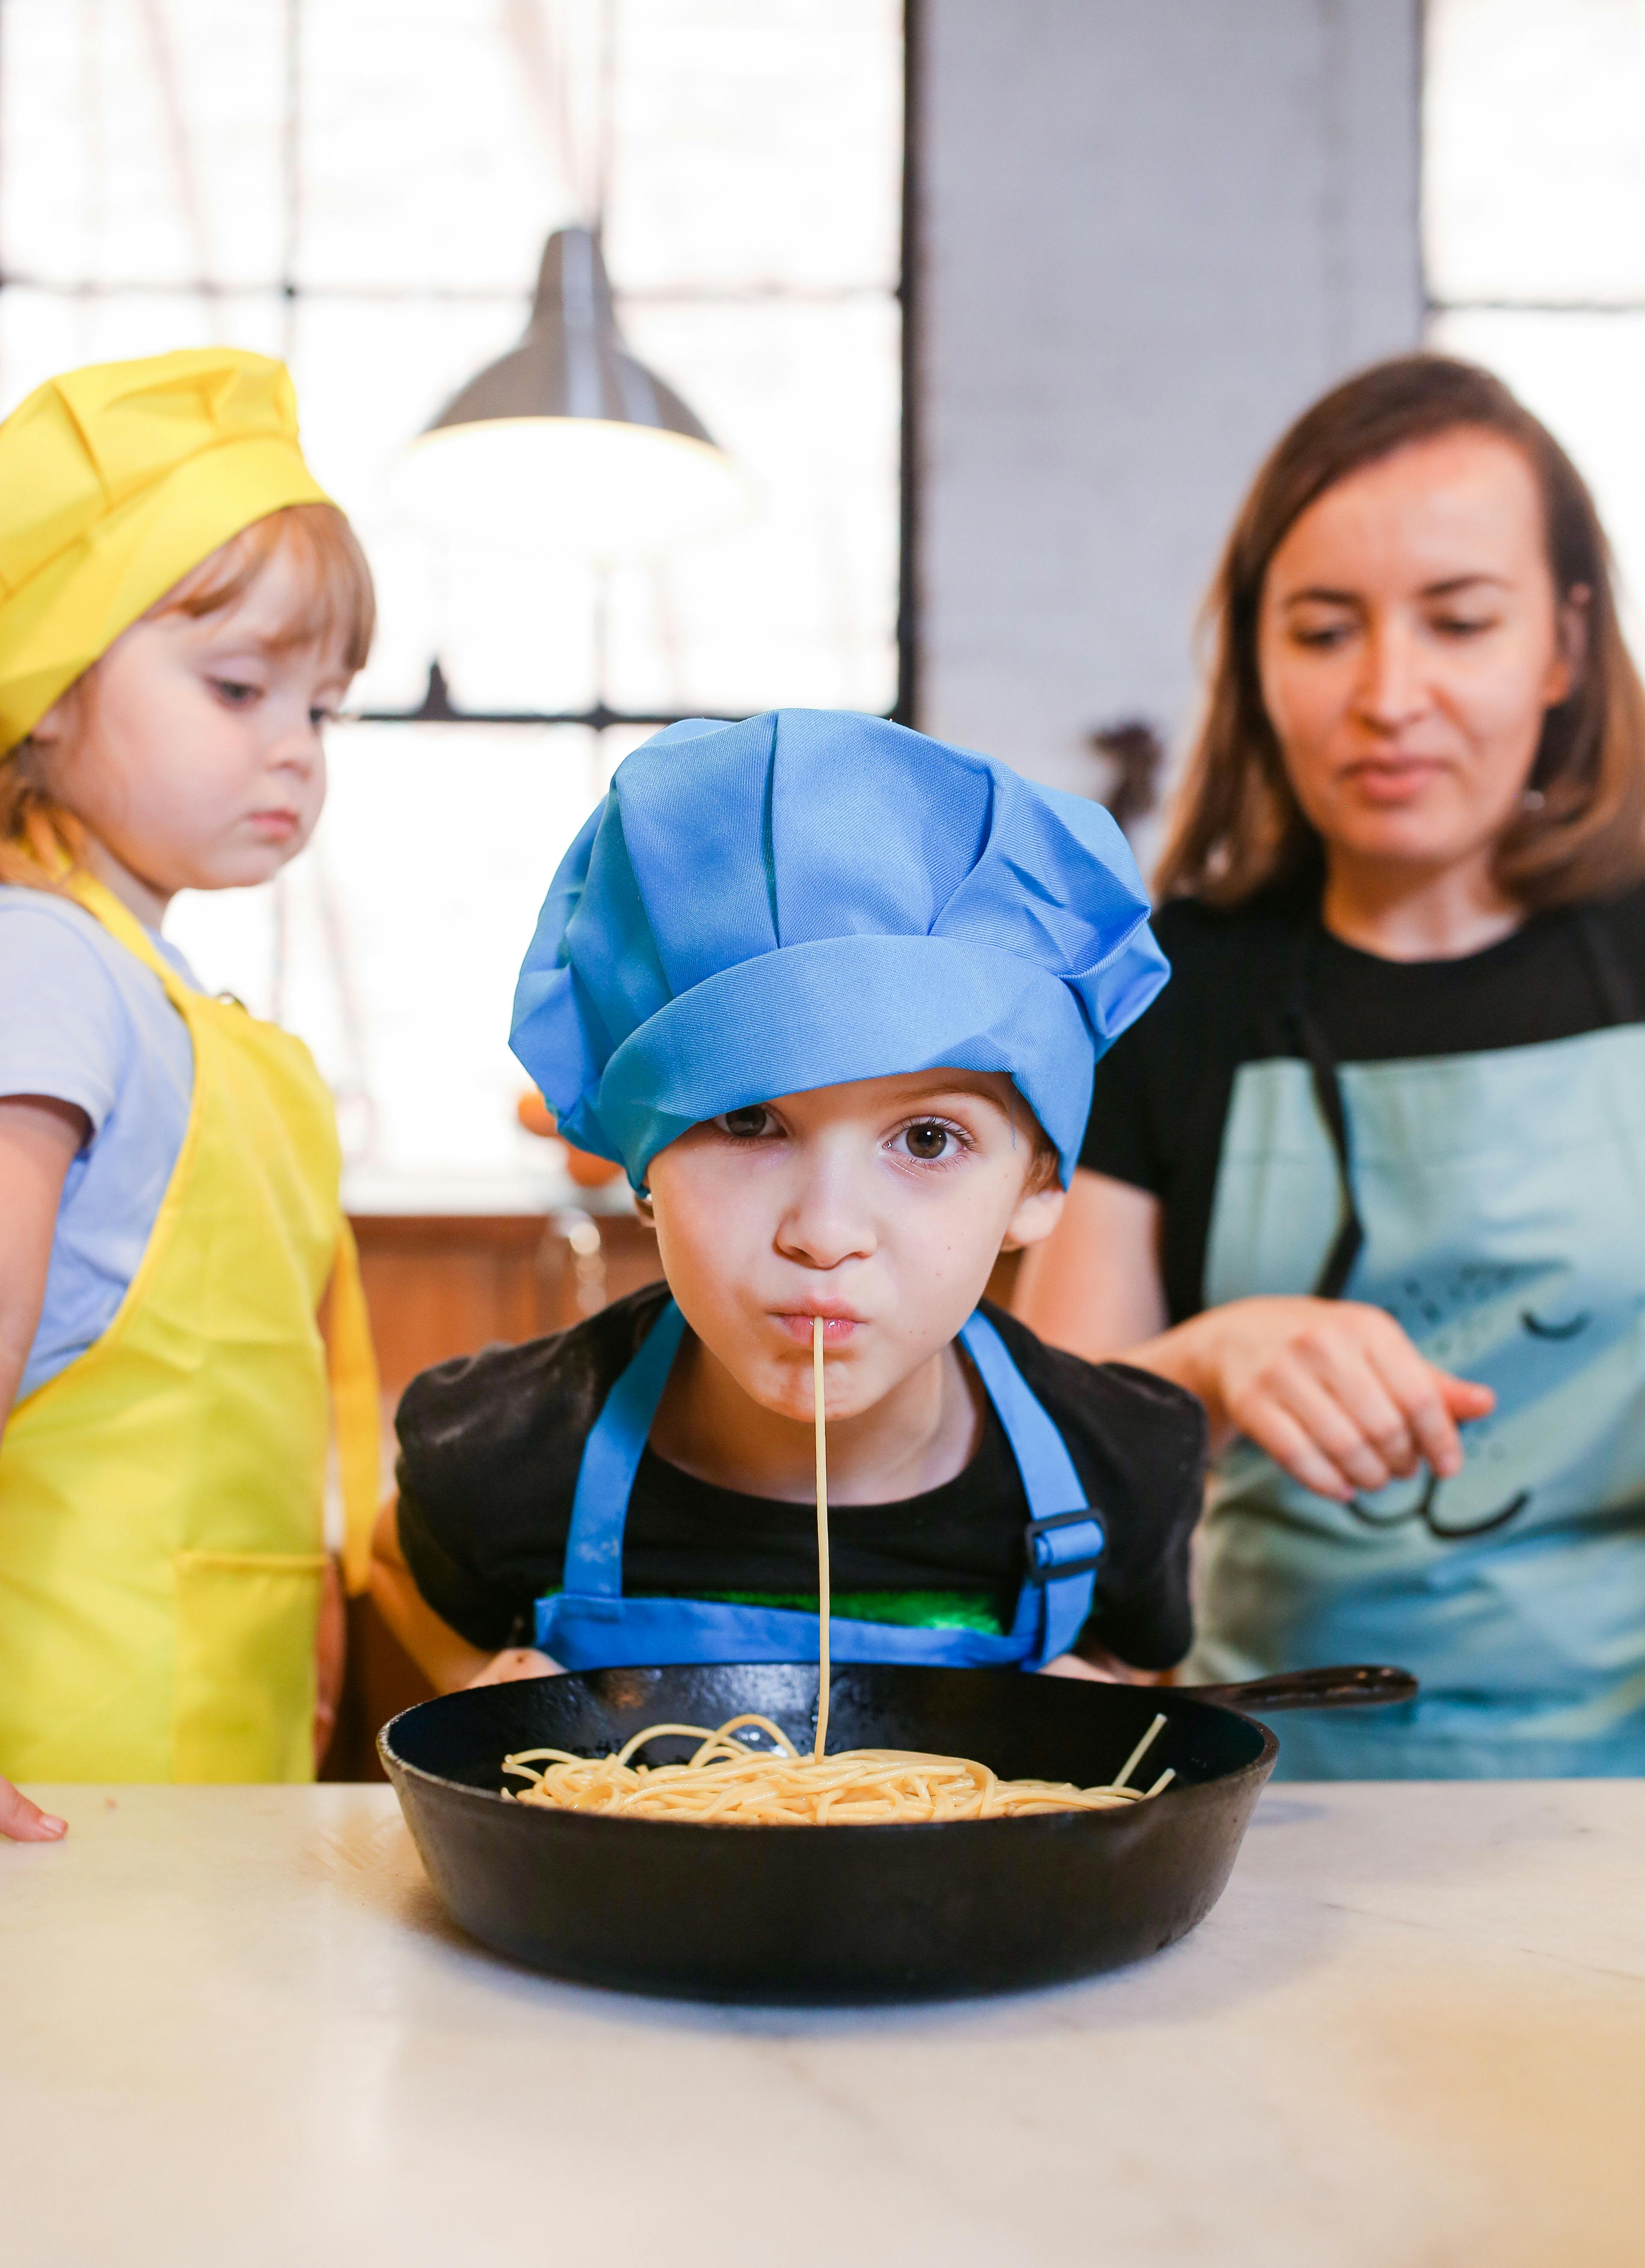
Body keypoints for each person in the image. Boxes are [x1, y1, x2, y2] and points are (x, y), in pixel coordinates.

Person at [1016, 354, 1645, 1778]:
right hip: (1272, 1787)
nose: (1389, 695)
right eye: (1322, 630)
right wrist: (1204, 1368)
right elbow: (1040, 1483)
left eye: (1460, 621)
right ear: (1256, 658)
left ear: (1560, 644)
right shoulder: (1171, 992)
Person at [368, 710, 1206, 1691]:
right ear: (644, 1163)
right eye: (749, 1124)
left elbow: (1145, 1666)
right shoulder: (503, 1455)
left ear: (1036, 1185)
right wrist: (475, 1677)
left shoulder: (1122, 1473)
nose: (825, 1233)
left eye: (928, 1140)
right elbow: (395, 1574)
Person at [0, 349, 381, 1840]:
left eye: (325, 709)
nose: (292, 745)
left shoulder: (151, 988)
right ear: (44, 686)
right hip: (62, 1760)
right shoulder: (50, 968)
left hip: (186, 1765)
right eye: (237, 687)